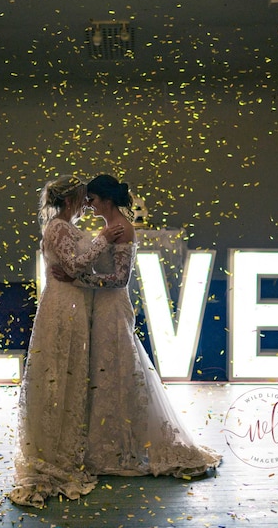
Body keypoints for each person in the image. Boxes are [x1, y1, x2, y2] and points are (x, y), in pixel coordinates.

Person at [58, 175, 221, 477]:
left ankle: (121, 446)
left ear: (106, 199)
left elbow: (121, 279)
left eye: (92, 199)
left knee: (117, 370)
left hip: (112, 307)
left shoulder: (123, 229)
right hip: (100, 307)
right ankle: (107, 443)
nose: (89, 205)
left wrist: (83, 280)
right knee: (104, 372)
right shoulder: (108, 229)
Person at [8, 175, 121, 509]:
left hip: (73, 301)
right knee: (60, 369)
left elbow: (74, 269)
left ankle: (69, 442)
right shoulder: (57, 228)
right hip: (63, 306)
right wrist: (101, 240)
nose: (88, 204)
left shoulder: (64, 226)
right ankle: (53, 448)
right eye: (83, 199)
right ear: (70, 200)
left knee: (72, 371)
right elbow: (72, 264)